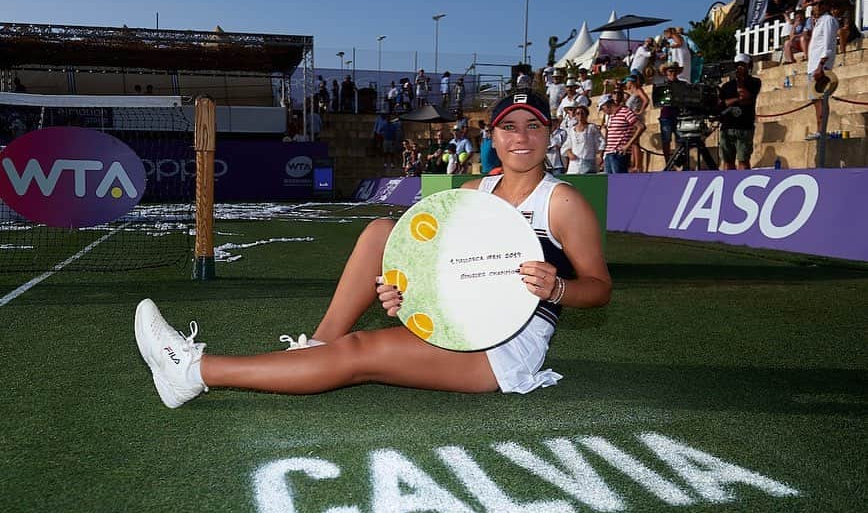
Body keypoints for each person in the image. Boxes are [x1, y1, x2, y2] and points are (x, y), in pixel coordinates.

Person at [134, 90, 612, 407]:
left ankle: (195, 372)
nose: (521, 138)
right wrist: (403, 294)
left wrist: (558, 289)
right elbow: (445, 270)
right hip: (463, 318)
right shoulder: (473, 193)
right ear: (493, 136)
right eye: (510, 127)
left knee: (361, 351)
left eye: (533, 126)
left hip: (507, 346)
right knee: (385, 231)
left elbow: (599, 289)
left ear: (550, 134)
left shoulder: (562, 201)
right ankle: (319, 347)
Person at [717, 53, 762, 170]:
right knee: (728, 162)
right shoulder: (726, 86)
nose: (739, 68)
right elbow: (721, 104)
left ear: (749, 66)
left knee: (743, 160)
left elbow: (746, 97)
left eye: (743, 65)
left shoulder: (754, 82)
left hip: (744, 127)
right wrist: (736, 99)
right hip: (727, 126)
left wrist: (740, 81)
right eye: (737, 65)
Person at [805, 0, 839, 140]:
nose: (817, 6)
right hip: (814, 65)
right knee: (816, 100)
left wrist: (821, 66)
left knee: (820, 99)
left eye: (820, 3)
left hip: (820, 66)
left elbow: (828, 45)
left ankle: (821, 131)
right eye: (814, 3)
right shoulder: (819, 22)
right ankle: (820, 130)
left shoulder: (827, 20)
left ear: (826, 5)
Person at [598, 93, 644, 174]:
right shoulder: (610, 116)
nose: (603, 111)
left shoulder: (625, 111)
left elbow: (640, 127)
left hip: (618, 154)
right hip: (609, 153)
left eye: (602, 108)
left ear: (607, 105)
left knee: (619, 182)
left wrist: (628, 145)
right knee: (609, 183)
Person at [561, 105, 603, 174]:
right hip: (575, 164)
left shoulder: (592, 128)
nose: (580, 115)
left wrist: (599, 155)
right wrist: (569, 153)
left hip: (588, 162)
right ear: (575, 115)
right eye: (578, 113)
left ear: (586, 115)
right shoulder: (571, 130)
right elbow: (566, 145)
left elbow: (601, 142)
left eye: (582, 113)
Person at [657, 61, 685, 164]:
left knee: (681, 140)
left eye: (674, 71)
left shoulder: (682, 84)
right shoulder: (662, 85)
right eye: (670, 71)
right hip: (666, 115)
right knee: (666, 140)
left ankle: (679, 161)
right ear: (666, 72)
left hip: (679, 115)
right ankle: (668, 162)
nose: (672, 73)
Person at [621, 75, 650, 172]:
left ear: (631, 82)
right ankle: (634, 164)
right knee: (633, 143)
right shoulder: (632, 93)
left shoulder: (638, 90)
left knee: (635, 142)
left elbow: (646, 100)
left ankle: (638, 166)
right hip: (631, 120)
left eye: (627, 82)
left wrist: (640, 111)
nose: (626, 84)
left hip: (636, 119)